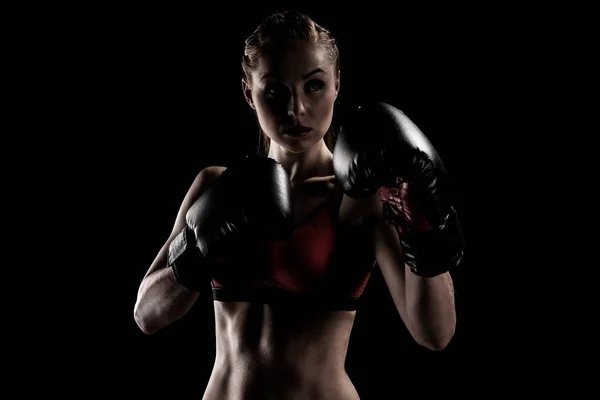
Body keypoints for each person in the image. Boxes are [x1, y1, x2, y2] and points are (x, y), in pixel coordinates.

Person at [133, 10, 465, 400]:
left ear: (337, 84)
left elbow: (435, 334)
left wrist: (423, 223)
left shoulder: (361, 201)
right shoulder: (214, 184)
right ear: (248, 92)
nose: (296, 109)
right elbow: (147, 315)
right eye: (275, 91)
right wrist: (196, 248)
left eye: (314, 86)